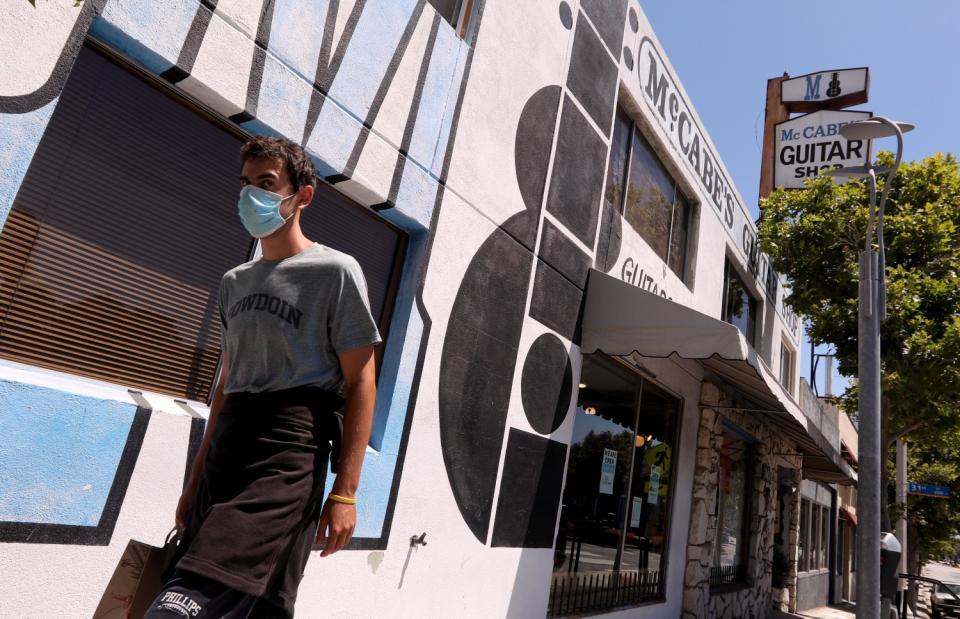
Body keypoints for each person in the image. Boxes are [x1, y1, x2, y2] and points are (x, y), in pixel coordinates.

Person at [146, 136, 380, 618]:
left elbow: (361, 382)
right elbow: (227, 386)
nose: (251, 195)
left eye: (267, 184)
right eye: (246, 183)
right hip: (228, 447)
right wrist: (194, 481)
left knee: (181, 605)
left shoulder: (335, 272)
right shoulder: (235, 282)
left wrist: (345, 492)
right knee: (259, 606)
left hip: (289, 452)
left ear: (302, 196)